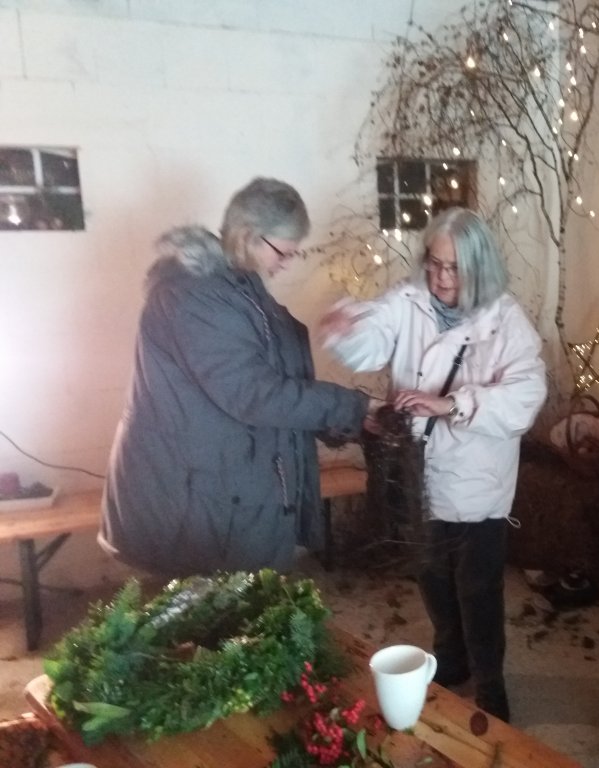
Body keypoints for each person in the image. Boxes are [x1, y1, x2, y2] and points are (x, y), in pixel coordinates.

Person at [321, 206, 546, 721]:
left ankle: (490, 682)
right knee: (430, 575)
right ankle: (452, 657)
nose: (442, 279)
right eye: (435, 264)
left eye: (455, 269)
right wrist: (348, 330)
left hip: (477, 481)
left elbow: (526, 397)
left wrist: (451, 404)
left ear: (479, 268)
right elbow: (373, 339)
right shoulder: (409, 301)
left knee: (478, 588)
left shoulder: (505, 321)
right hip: (417, 474)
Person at [100, 178, 372, 576]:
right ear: (248, 236)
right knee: (220, 612)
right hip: (196, 499)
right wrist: (353, 407)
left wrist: (341, 415)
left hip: (230, 488)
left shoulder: (240, 288)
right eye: (284, 251)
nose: (287, 262)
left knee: (245, 607)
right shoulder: (193, 295)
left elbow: (273, 369)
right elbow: (253, 393)